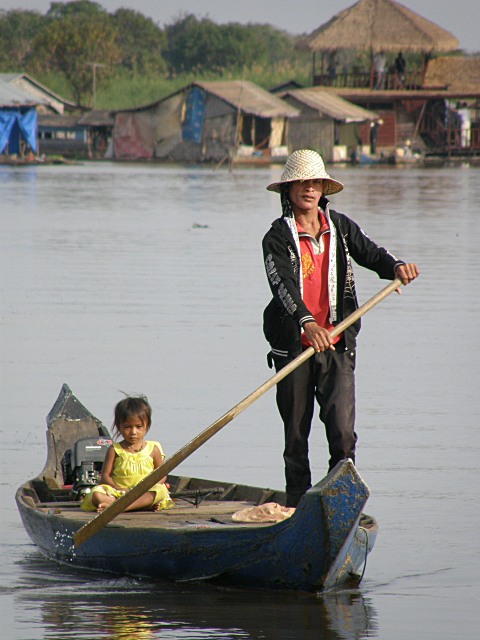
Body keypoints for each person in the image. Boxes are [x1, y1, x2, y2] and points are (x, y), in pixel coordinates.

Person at [262, 149, 419, 507]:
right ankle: (296, 509)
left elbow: (371, 253)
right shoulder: (276, 237)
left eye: (315, 182)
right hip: (294, 348)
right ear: (288, 190)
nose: (309, 188)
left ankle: (341, 506)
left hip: (337, 344)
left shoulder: (341, 229)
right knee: (295, 438)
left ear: (323, 189)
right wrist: (308, 324)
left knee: (343, 435)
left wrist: (396, 267)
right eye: (301, 182)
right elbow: (282, 285)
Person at [81, 395, 174, 512]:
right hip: (120, 493)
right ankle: (139, 505)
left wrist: (148, 487)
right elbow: (105, 476)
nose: (133, 432)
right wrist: (119, 488)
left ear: (147, 426)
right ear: (119, 427)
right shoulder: (114, 450)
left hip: (145, 492)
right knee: (96, 494)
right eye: (127, 427)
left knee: (160, 490)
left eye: (139, 427)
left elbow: (162, 474)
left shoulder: (153, 449)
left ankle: (117, 507)